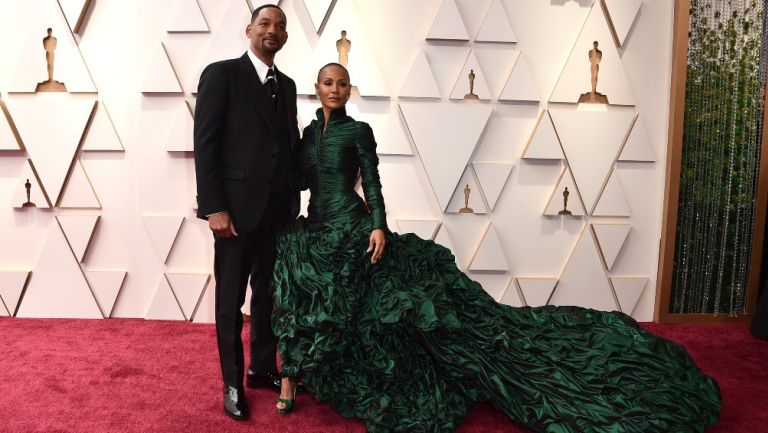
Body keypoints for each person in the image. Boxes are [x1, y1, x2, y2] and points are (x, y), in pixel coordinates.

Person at [271, 63, 721, 432]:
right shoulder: (306, 137)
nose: (335, 89)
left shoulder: (359, 131)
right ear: (317, 88)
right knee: (297, 287)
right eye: (328, 83)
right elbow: (298, 181)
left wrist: (378, 226)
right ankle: (291, 379)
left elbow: (371, 181)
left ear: (351, 89)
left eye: (342, 83)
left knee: (395, 308)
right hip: (315, 229)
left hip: (354, 227)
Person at [193, 4, 301, 421]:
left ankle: (260, 368)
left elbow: (288, 144)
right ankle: (233, 382)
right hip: (234, 213)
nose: (272, 31)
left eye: (280, 26)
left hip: (279, 211)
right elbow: (205, 145)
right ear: (249, 30)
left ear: (286, 36)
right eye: (265, 24)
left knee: (268, 296)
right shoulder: (222, 74)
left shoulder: (287, 85)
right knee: (229, 300)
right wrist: (214, 206)